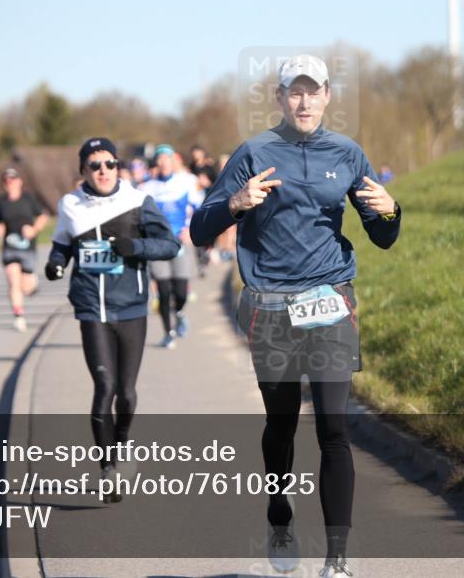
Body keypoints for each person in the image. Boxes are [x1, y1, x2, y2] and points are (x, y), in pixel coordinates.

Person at [190, 54, 402, 578]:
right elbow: (199, 230)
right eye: (294, 92)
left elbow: (381, 235)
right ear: (281, 98)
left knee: (334, 426)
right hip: (271, 303)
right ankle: (280, 513)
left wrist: (394, 214)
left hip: (332, 298)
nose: (304, 101)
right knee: (282, 424)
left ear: (328, 95)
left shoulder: (348, 154)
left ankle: (338, 561)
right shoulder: (254, 152)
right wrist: (236, 204)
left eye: (314, 91)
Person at [44, 137, 180, 498]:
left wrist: (134, 246)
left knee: (127, 392)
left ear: (118, 167)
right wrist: (56, 263)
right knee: (104, 387)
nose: (103, 171)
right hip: (91, 308)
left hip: (131, 307)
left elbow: (170, 245)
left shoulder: (137, 200)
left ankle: (120, 445)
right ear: (83, 171)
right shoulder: (70, 205)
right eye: (94, 165)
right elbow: (62, 242)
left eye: (109, 164)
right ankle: (108, 469)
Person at [138, 144, 203, 349]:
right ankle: (168, 332)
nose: (164, 162)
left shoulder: (187, 182)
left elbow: (200, 209)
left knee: (181, 292)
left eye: (167, 158)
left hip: (180, 243)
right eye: (160, 159)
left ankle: (180, 314)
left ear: (174, 161)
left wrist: (191, 230)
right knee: (164, 292)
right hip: (157, 245)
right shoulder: (145, 188)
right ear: (156, 162)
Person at [0, 167, 49, 332]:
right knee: (13, 281)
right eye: (6, 181)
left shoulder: (28, 199)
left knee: (26, 287)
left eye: (13, 180)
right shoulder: (1, 202)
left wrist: (34, 230)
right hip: (9, 247)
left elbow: (43, 216)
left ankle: (32, 284)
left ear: (19, 181)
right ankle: (18, 315)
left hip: (27, 248)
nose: (10, 184)